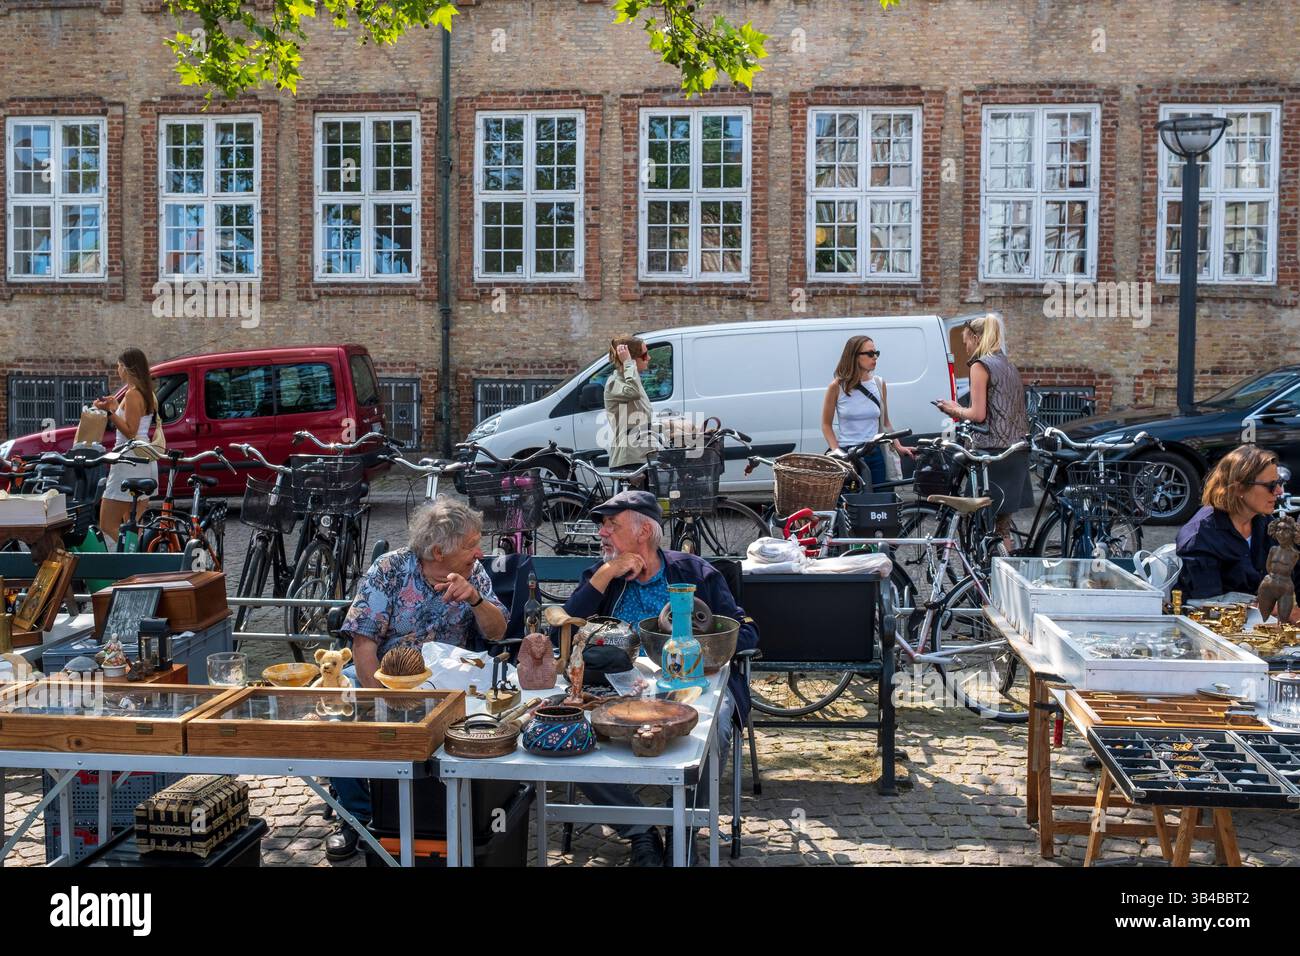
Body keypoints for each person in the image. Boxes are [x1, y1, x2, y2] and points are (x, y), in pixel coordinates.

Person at [563, 490, 759, 866]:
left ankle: (681, 828)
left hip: (692, 684)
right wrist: (606, 573)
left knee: (714, 727)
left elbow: (746, 632)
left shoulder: (694, 572)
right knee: (570, 729)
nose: (602, 532)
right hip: (613, 687)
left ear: (643, 532)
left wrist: (700, 649)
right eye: (602, 524)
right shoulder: (602, 576)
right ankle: (639, 830)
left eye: (611, 524)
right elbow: (569, 627)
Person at [324, 496, 508, 860]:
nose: (480, 551)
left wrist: (475, 600)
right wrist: (380, 705)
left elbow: (498, 633)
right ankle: (356, 815)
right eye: (472, 544)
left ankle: (451, 812)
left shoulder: (474, 573)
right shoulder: (389, 569)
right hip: (383, 676)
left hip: (448, 682)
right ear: (438, 551)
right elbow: (364, 644)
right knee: (335, 714)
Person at [935, 314, 1032, 550]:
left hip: (992, 453)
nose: (965, 347)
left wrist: (953, 409)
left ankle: (984, 577)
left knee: (972, 517)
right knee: (1002, 527)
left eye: (966, 341)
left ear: (977, 338)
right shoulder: (1008, 365)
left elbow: (978, 414)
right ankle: (1004, 578)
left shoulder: (981, 365)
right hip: (1016, 452)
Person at [1176, 445, 1300, 618]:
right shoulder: (1200, 536)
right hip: (1217, 632)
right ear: (1239, 488)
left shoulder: (1266, 524)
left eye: (1279, 483)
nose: (1279, 492)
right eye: (1271, 485)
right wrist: (1273, 609)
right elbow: (1206, 606)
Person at [820, 335, 913, 488]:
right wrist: (836, 450)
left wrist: (899, 446)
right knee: (852, 504)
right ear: (855, 356)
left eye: (876, 353)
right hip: (848, 454)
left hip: (873, 452)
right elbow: (826, 425)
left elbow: (885, 422)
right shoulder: (837, 387)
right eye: (870, 353)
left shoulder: (879, 383)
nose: (875, 357)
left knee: (881, 502)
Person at [94, 349, 160, 545]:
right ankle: (136, 559)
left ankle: (136, 557)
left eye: (119, 365)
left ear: (127, 368)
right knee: (132, 525)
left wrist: (109, 413)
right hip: (143, 458)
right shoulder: (144, 392)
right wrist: (115, 407)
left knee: (106, 523)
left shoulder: (132, 394)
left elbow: (130, 431)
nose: (117, 369)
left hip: (128, 460)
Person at [603, 336, 653, 483]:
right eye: (644, 355)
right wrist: (628, 362)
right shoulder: (615, 383)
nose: (648, 358)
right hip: (629, 461)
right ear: (631, 358)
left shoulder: (633, 380)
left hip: (643, 457)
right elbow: (633, 392)